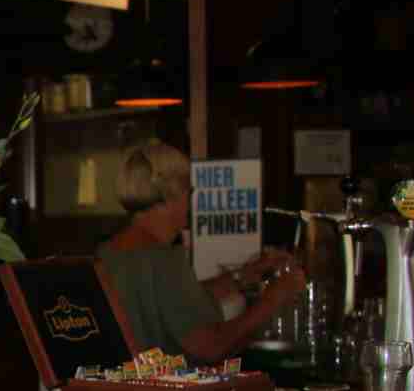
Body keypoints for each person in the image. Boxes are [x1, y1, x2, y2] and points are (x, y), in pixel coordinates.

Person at [100, 141, 304, 362]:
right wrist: (273, 299)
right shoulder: (165, 259)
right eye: (189, 191)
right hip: (166, 384)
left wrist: (242, 277)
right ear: (171, 195)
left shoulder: (107, 253)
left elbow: (175, 301)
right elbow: (209, 346)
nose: (190, 201)